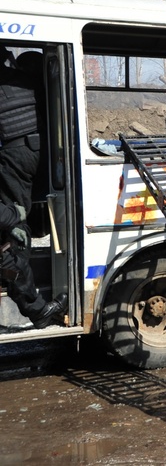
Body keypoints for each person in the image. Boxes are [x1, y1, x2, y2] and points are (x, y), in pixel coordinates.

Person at [0, 46, 65, 328]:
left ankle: (35, 307)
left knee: (14, 233)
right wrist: (14, 218)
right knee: (13, 236)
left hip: (15, 156)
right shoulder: (21, 83)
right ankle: (36, 309)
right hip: (29, 154)